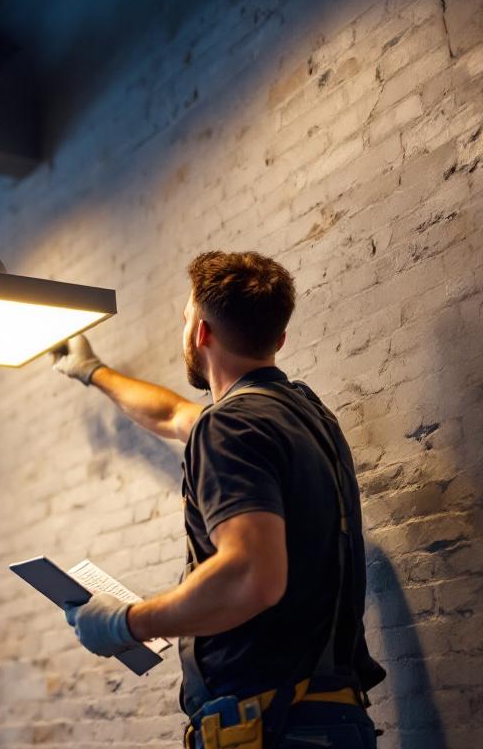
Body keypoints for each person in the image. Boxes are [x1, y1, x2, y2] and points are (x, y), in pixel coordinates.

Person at [51, 251, 385, 748]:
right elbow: (172, 416)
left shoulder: (230, 425)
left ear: (201, 333)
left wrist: (126, 624)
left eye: (186, 318)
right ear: (279, 338)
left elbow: (252, 575)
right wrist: (93, 370)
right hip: (328, 718)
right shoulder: (306, 418)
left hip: (274, 726)